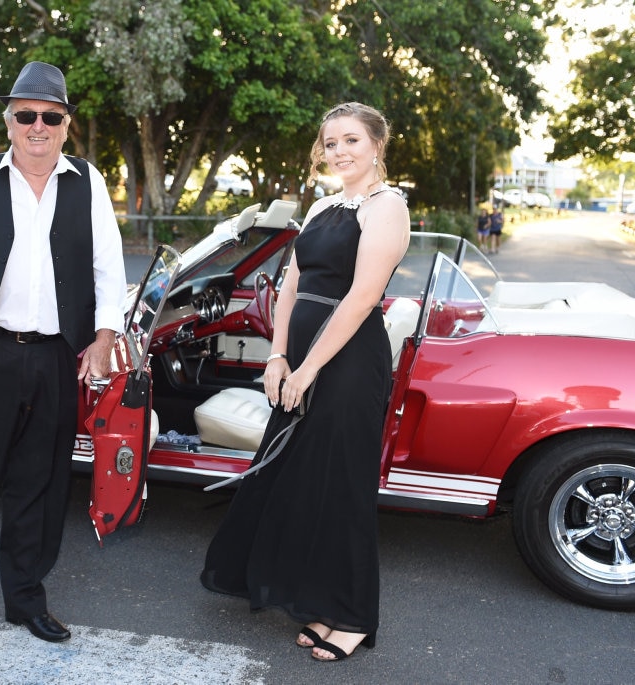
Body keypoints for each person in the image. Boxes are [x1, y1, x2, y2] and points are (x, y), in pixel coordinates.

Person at [0, 61, 127, 655]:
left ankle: (25, 601)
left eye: (50, 116)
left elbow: (108, 267)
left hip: (57, 358)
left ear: (66, 124)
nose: (38, 125)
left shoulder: (88, 182)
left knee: (39, 485)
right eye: (26, 114)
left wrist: (105, 336)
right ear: (9, 121)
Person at [200, 102, 410, 663]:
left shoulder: (387, 207)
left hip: (348, 363)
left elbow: (363, 296)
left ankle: (354, 617)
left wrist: (310, 367)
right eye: (331, 142)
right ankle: (317, 603)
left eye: (351, 141)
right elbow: (290, 288)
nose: (340, 151)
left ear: (376, 145)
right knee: (301, 484)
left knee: (342, 489)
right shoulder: (322, 205)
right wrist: (278, 357)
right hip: (300, 363)